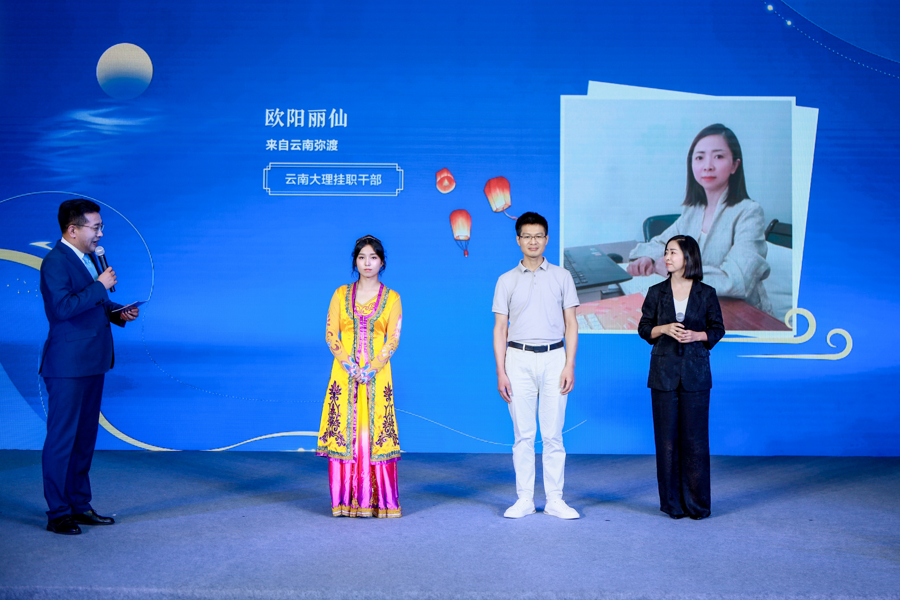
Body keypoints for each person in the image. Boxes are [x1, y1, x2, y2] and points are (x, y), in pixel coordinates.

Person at [39, 199, 139, 535]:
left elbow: (93, 304)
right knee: (62, 440)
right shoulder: (55, 261)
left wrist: (118, 311)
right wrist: (100, 286)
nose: (100, 234)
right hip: (67, 366)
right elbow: (62, 308)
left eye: (100, 227)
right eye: (95, 227)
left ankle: (79, 505)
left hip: (92, 362)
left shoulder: (87, 259)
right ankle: (58, 513)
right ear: (72, 230)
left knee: (84, 439)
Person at [627, 124, 773, 315]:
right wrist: (648, 258)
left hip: (743, 316)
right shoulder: (693, 211)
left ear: (735, 165)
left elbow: (737, 281)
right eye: (699, 157)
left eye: (718, 156)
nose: (707, 166)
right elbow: (661, 243)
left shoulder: (749, 212)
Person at [492, 212, 580, 519]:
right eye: (527, 236)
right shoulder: (506, 280)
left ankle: (555, 499)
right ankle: (525, 499)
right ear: (518, 240)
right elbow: (500, 328)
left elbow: (572, 324)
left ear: (546, 239)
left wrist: (569, 365)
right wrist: (501, 371)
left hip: (555, 357)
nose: (533, 241)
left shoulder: (562, 276)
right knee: (524, 435)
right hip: (517, 358)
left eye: (538, 236)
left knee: (553, 434)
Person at [638, 235, 725, 520]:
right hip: (663, 374)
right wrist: (663, 329)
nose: (666, 257)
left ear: (688, 257)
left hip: (695, 374)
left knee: (695, 441)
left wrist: (698, 336)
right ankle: (672, 505)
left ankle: (697, 505)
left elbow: (717, 329)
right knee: (666, 442)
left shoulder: (706, 292)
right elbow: (644, 329)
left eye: (672, 252)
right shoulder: (656, 291)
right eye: (666, 252)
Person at [316, 235, 402, 518]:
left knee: (375, 433)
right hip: (345, 376)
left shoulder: (393, 298)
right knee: (345, 431)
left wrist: (372, 368)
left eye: (373, 257)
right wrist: (350, 366)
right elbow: (331, 334)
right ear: (355, 261)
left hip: (377, 376)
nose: (367, 263)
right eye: (362, 257)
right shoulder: (340, 294)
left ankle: (380, 502)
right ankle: (344, 502)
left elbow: (393, 339)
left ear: (382, 262)